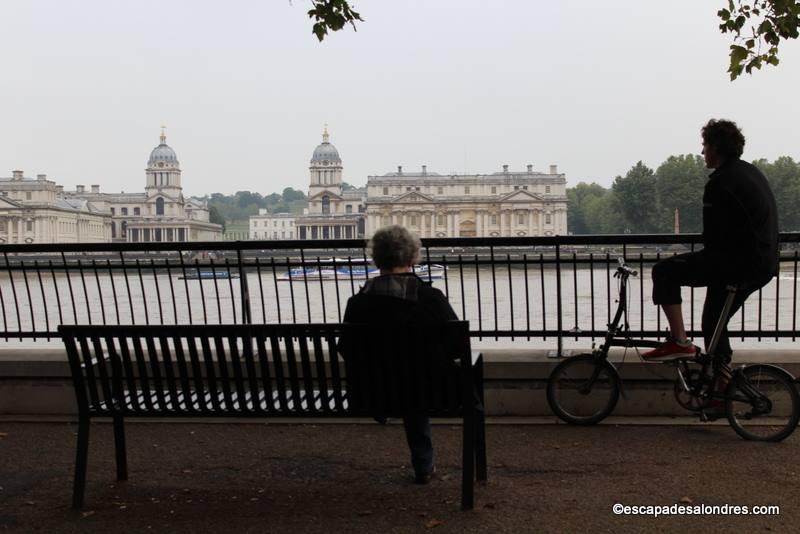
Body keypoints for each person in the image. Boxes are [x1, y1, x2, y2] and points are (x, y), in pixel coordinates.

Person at [643, 119, 779, 367]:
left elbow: (713, 239)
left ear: (715, 147)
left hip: (738, 264)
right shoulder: (751, 172)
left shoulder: (720, 183)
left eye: (704, 145)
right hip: (761, 262)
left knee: (663, 271)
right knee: (714, 324)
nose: (702, 151)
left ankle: (680, 342)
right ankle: (722, 385)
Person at [340, 225, 458, 484]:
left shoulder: (357, 303)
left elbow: (346, 348)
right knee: (415, 385)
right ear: (413, 258)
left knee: (399, 382)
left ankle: (382, 406)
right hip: (428, 393)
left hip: (369, 393)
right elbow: (456, 345)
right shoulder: (430, 298)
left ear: (375, 259)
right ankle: (423, 466)